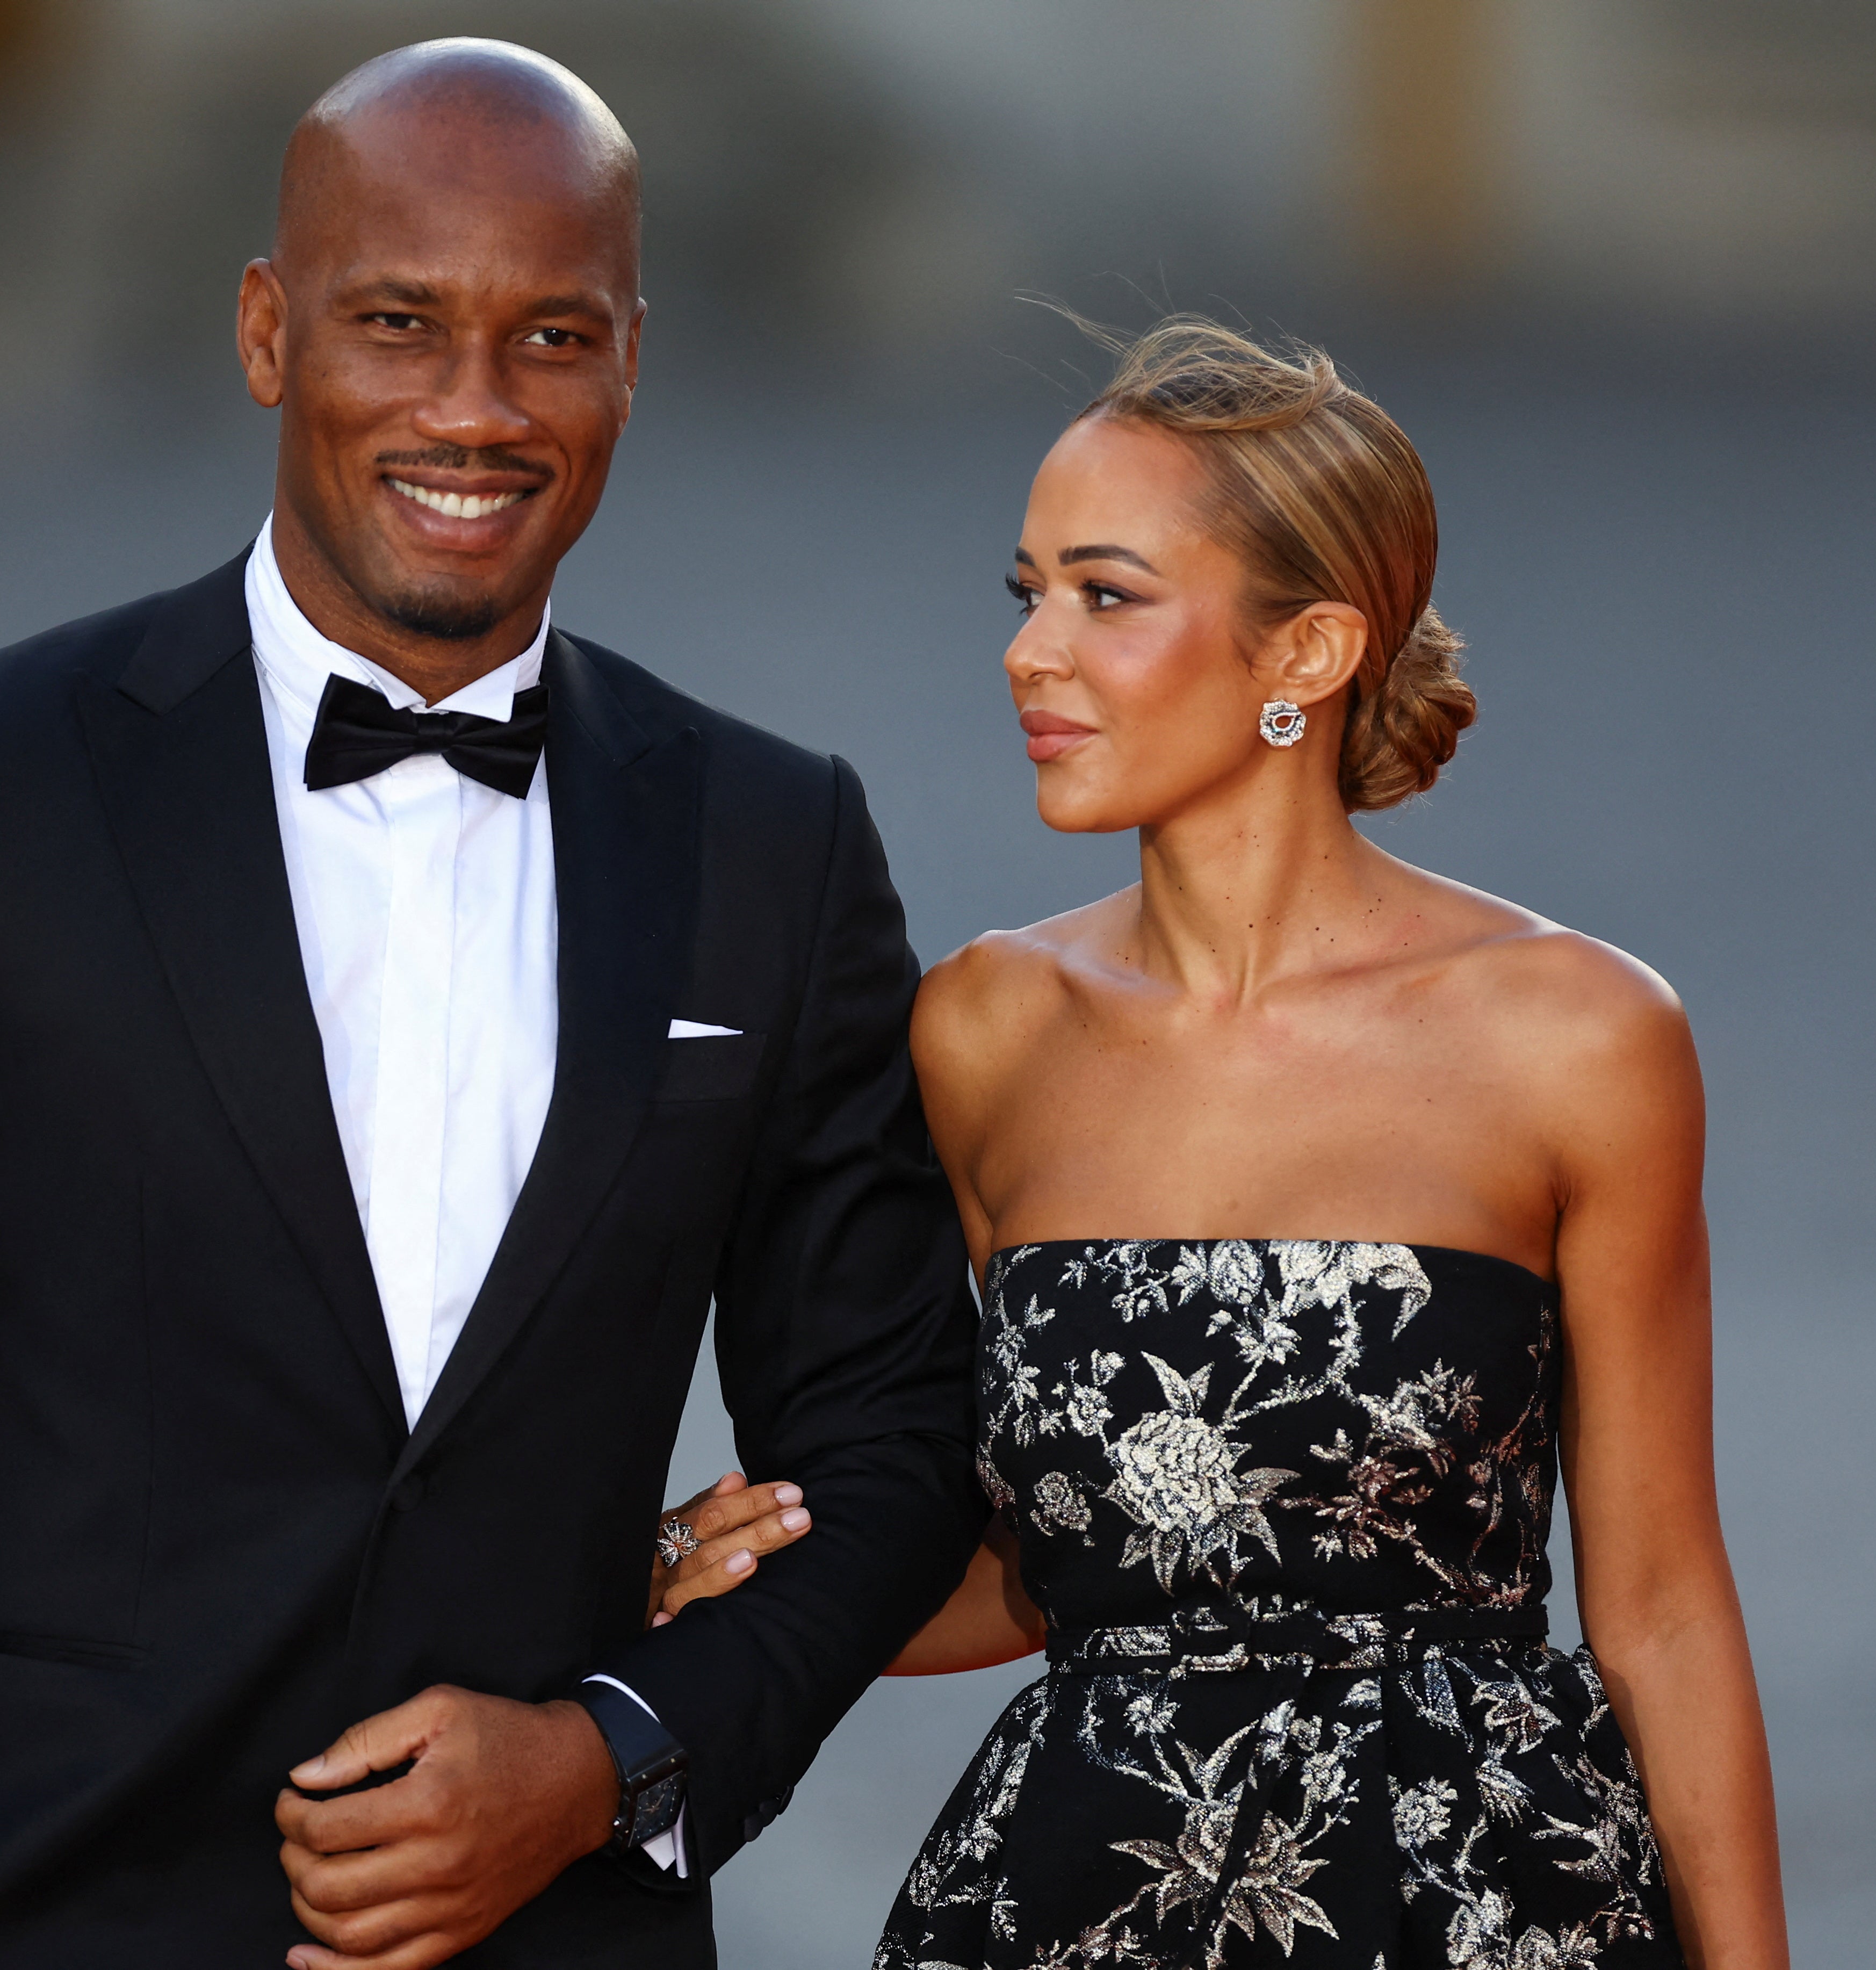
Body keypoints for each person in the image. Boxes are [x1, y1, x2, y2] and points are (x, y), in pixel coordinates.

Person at [0, 39, 984, 1970]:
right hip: (19, 1908)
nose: (472, 408)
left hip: (544, 1927)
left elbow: (889, 1449)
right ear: (269, 332)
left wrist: (608, 1757)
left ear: (628, 361)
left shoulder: (771, 840)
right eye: (397, 323)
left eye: (551, 337)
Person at [654, 319, 1792, 1968]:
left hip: (1477, 1904)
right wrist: (721, 1569)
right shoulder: (981, 1032)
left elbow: (1664, 1605)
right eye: (1025, 591)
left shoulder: (1581, 1037)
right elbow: (1052, 1574)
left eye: (1105, 595)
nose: (1030, 651)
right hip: (1077, 1893)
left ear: (1308, 653)